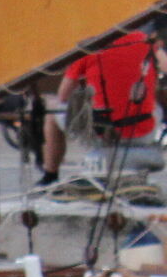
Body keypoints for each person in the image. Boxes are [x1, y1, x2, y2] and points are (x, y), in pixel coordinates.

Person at [40, 25, 160, 185]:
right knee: (155, 105)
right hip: (143, 132)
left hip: (102, 134)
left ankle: (50, 175)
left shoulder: (87, 49)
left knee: (52, 111)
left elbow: (63, 95)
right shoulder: (145, 40)